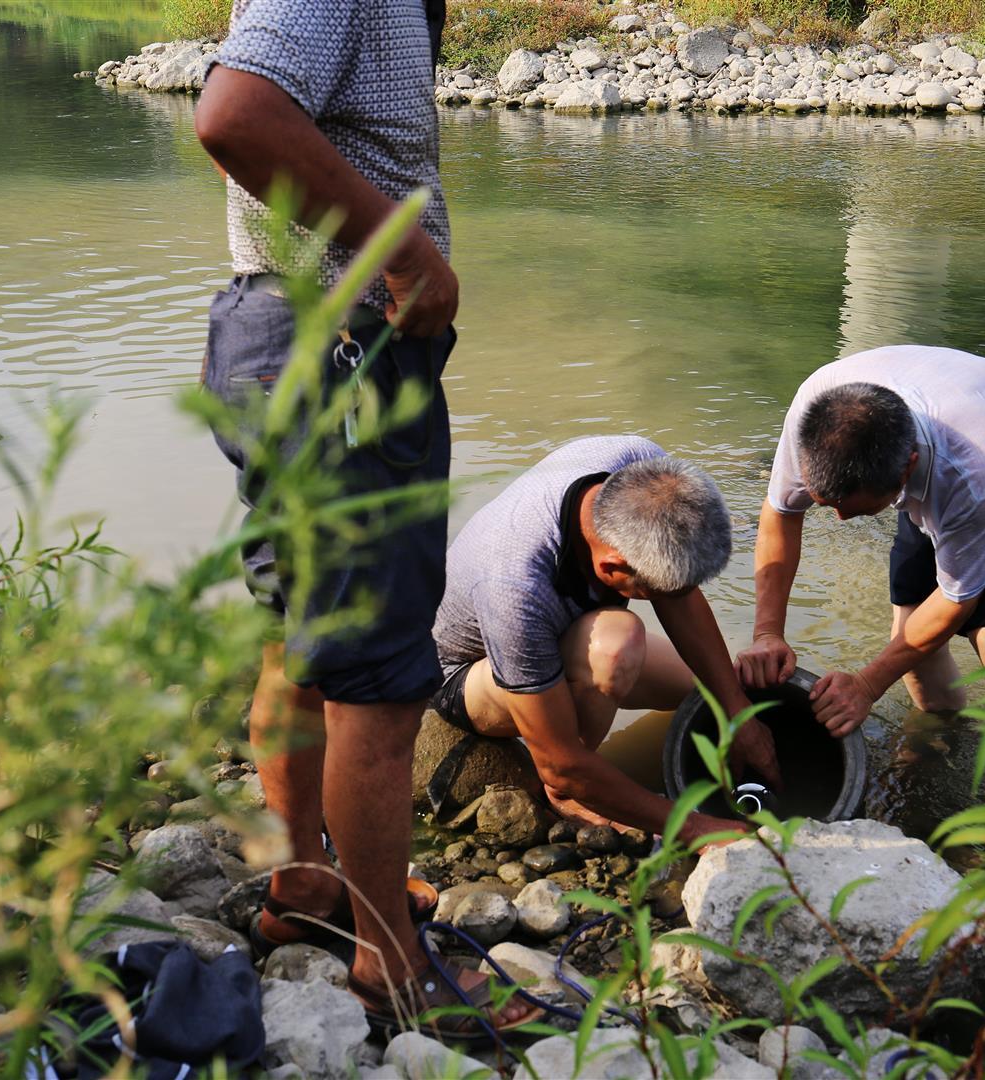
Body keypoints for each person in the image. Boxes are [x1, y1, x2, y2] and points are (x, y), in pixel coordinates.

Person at [194, 0, 535, 1035]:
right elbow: (235, 113)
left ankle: (301, 887)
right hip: (344, 347)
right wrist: (401, 247)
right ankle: (393, 964)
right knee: (380, 687)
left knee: (296, 639)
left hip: (279, 332)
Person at [735, 346, 985, 805]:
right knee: (908, 624)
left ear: (905, 469)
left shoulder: (977, 477)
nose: (841, 519)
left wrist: (866, 685)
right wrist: (768, 633)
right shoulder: (815, 411)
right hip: (939, 441)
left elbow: (957, 600)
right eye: (829, 504)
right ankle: (942, 732)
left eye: (853, 506)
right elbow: (781, 515)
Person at [431, 436, 782, 841]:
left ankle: (597, 766)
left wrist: (737, 712)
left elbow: (681, 599)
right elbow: (558, 761)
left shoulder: (646, 469)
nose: (670, 599)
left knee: (702, 697)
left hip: (566, 635)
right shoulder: (514, 586)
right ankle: (566, 795)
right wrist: (696, 827)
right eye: (655, 592)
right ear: (612, 567)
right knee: (617, 644)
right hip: (467, 672)